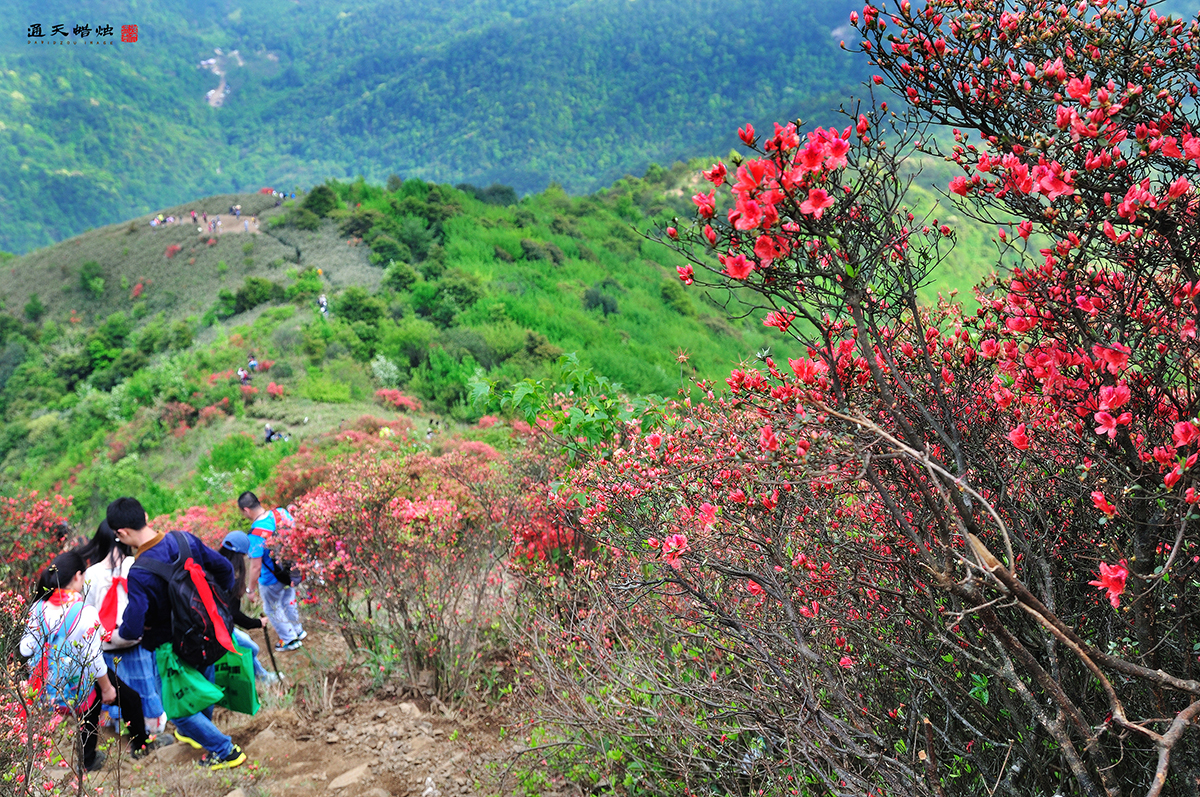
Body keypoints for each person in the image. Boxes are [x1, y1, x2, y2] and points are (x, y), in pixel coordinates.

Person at [106, 497, 246, 771]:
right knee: (201, 691)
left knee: (179, 712)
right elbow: (225, 569)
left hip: (170, 648)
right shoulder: (184, 539)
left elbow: (132, 627)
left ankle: (225, 750)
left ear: (120, 533)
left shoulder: (140, 572)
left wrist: (116, 633)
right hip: (207, 632)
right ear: (144, 515)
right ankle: (199, 734)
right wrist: (215, 605)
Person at [22, 550, 172, 773]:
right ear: (77, 576)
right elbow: (94, 659)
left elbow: (26, 648)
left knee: (90, 711)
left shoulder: (37, 607)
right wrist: (107, 688)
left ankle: (89, 758)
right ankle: (140, 746)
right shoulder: (84, 612)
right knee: (129, 699)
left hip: (50, 681)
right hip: (81, 677)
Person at [82, 522, 167, 736]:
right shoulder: (136, 563)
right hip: (136, 638)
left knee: (118, 690)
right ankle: (150, 729)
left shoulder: (91, 573)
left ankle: (120, 728)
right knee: (145, 686)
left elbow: (88, 611)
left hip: (107, 644)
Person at [237, 492, 305, 652]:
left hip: (271, 578)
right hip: (290, 570)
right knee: (289, 599)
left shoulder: (255, 534)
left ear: (246, 510)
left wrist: (250, 590)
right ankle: (298, 631)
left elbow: (255, 567)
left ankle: (289, 640)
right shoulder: (281, 513)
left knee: (272, 608)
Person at [218, 532, 280, 685]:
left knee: (249, 647)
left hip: (215, 624)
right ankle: (260, 679)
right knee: (250, 648)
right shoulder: (230, 577)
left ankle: (261, 676)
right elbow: (234, 614)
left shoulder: (214, 564)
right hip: (221, 628)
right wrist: (258, 623)